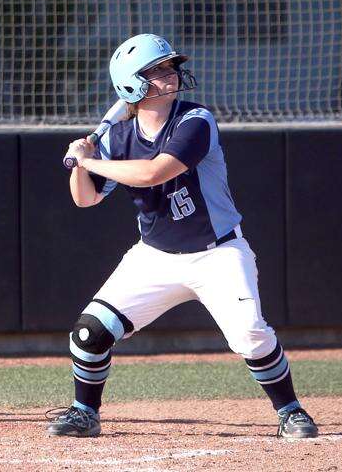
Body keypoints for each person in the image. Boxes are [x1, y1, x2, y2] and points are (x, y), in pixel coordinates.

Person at [47, 33, 318, 439]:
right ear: (131, 84)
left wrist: (92, 162)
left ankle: (291, 411)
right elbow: (85, 199)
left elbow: (154, 172)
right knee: (89, 332)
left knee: (250, 334)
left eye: (170, 66)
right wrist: (81, 163)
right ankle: (85, 412)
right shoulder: (117, 139)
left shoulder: (195, 120)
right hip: (154, 256)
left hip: (218, 254)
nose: (170, 74)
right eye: (156, 70)